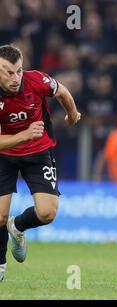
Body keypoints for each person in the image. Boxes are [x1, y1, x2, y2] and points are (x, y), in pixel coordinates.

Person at [0, 45, 81, 282]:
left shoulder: (37, 80)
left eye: (18, 71)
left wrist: (72, 114)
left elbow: (63, 92)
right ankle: (1, 265)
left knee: (47, 213)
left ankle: (18, 227)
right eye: (8, 72)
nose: (15, 78)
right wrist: (24, 135)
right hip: (4, 156)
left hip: (39, 152)